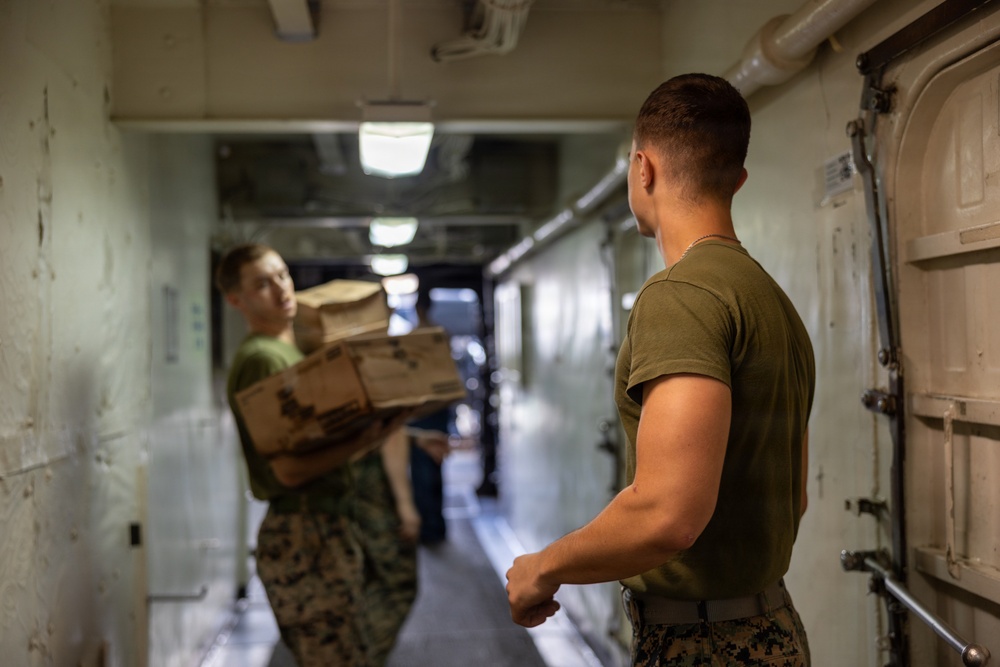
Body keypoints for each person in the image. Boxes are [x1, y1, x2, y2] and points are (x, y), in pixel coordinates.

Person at [505, 73, 815, 666]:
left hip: (707, 646)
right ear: (738, 179)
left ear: (642, 168)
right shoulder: (772, 302)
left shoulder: (681, 296)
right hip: (771, 628)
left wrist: (543, 567)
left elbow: (668, 515)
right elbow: (791, 498)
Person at [218, 243, 407, 667]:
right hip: (304, 531)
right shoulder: (264, 359)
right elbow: (289, 470)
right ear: (237, 301)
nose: (281, 289)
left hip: (322, 525)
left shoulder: (289, 352)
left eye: (282, 275)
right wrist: (367, 440)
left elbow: (316, 436)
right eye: (261, 284)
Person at [352, 426, 420, 665]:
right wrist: (404, 503)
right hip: (372, 492)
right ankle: (363, 659)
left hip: (336, 491)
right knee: (397, 584)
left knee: (358, 579)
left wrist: (415, 438)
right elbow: (391, 429)